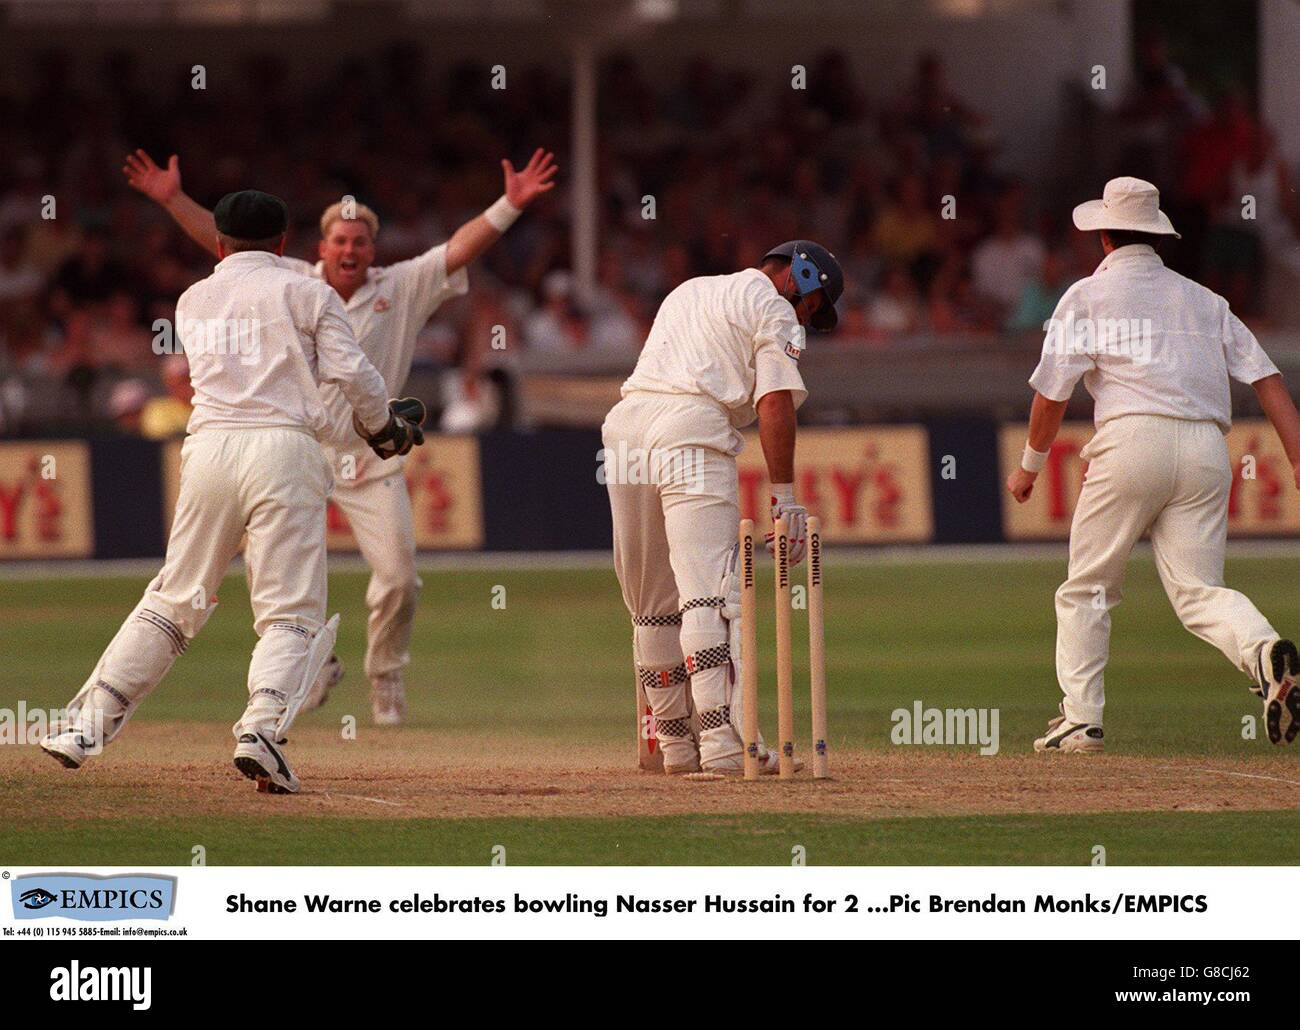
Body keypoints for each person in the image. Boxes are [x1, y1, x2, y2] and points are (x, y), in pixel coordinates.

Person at [123, 147, 557, 724]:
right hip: (296, 451)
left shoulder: (400, 285)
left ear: (371, 250)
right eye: (339, 240)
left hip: (370, 456)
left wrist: (511, 203)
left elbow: (459, 247)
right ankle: (310, 665)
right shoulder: (293, 282)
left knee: (401, 577)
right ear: (318, 248)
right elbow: (228, 242)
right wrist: (173, 199)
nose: (349, 250)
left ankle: (386, 674)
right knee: (270, 583)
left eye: (359, 241)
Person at [40, 190, 423, 793]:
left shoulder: (193, 299)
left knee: (175, 597)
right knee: (290, 612)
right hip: (284, 450)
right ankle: (261, 732)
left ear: (218, 244)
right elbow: (352, 373)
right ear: (283, 243)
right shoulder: (307, 291)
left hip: (209, 450)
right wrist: (385, 428)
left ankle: (84, 723)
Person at [1006, 177, 1300, 752]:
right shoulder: (1204, 300)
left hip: (1131, 440)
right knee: (1199, 591)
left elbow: (1051, 395)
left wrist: (1029, 467)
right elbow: (1268, 380)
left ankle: (1082, 718)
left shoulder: (1086, 295)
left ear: (1104, 236)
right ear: (1159, 239)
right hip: (1206, 450)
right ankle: (1265, 652)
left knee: (1087, 587)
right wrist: (1297, 457)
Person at [602, 240, 842, 776]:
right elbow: (775, 401)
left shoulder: (690, 290)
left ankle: (676, 746)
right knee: (709, 596)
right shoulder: (774, 307)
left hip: (624, 432)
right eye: (811, 306)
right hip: (689, 428)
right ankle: (725, 746)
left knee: (651, 604)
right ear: (799, 276)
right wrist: (785, 500)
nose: (805, 318)